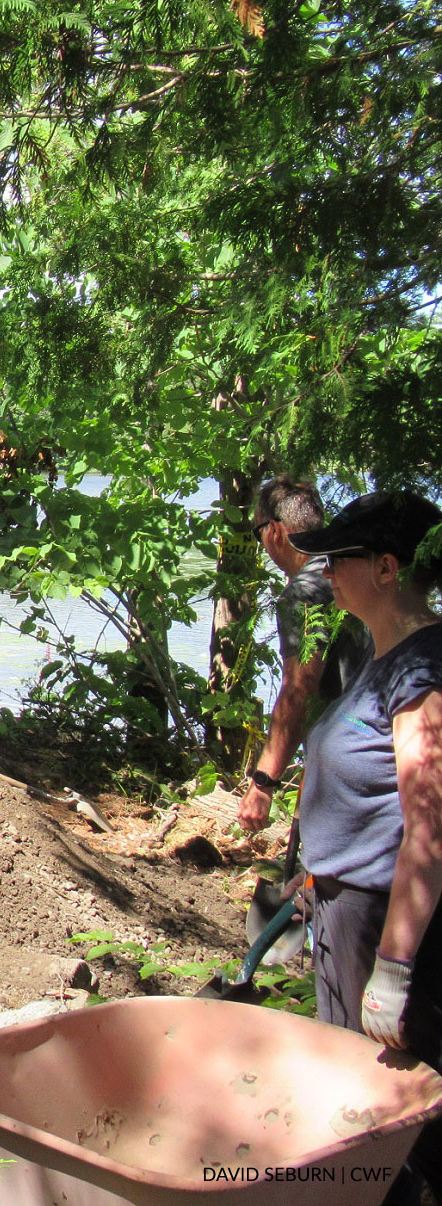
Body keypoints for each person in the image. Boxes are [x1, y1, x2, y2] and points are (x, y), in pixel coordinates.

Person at [287, 491, 442, 1202]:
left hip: (380, 925)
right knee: (353, 1116)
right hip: (340, 912)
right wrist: (310, 883)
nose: (323, 570)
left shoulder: (420, 672)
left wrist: (395, 967)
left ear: (385, 567)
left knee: (395, 1132)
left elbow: (429, 827)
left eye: (337, 558)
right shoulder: (384, 658)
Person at [238, 477, 371, 832]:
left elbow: (300, 686)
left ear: (275, 532)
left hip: (350, 754)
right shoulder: (352, 574)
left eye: (257, 533)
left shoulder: (304, 593)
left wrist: (264, 782)